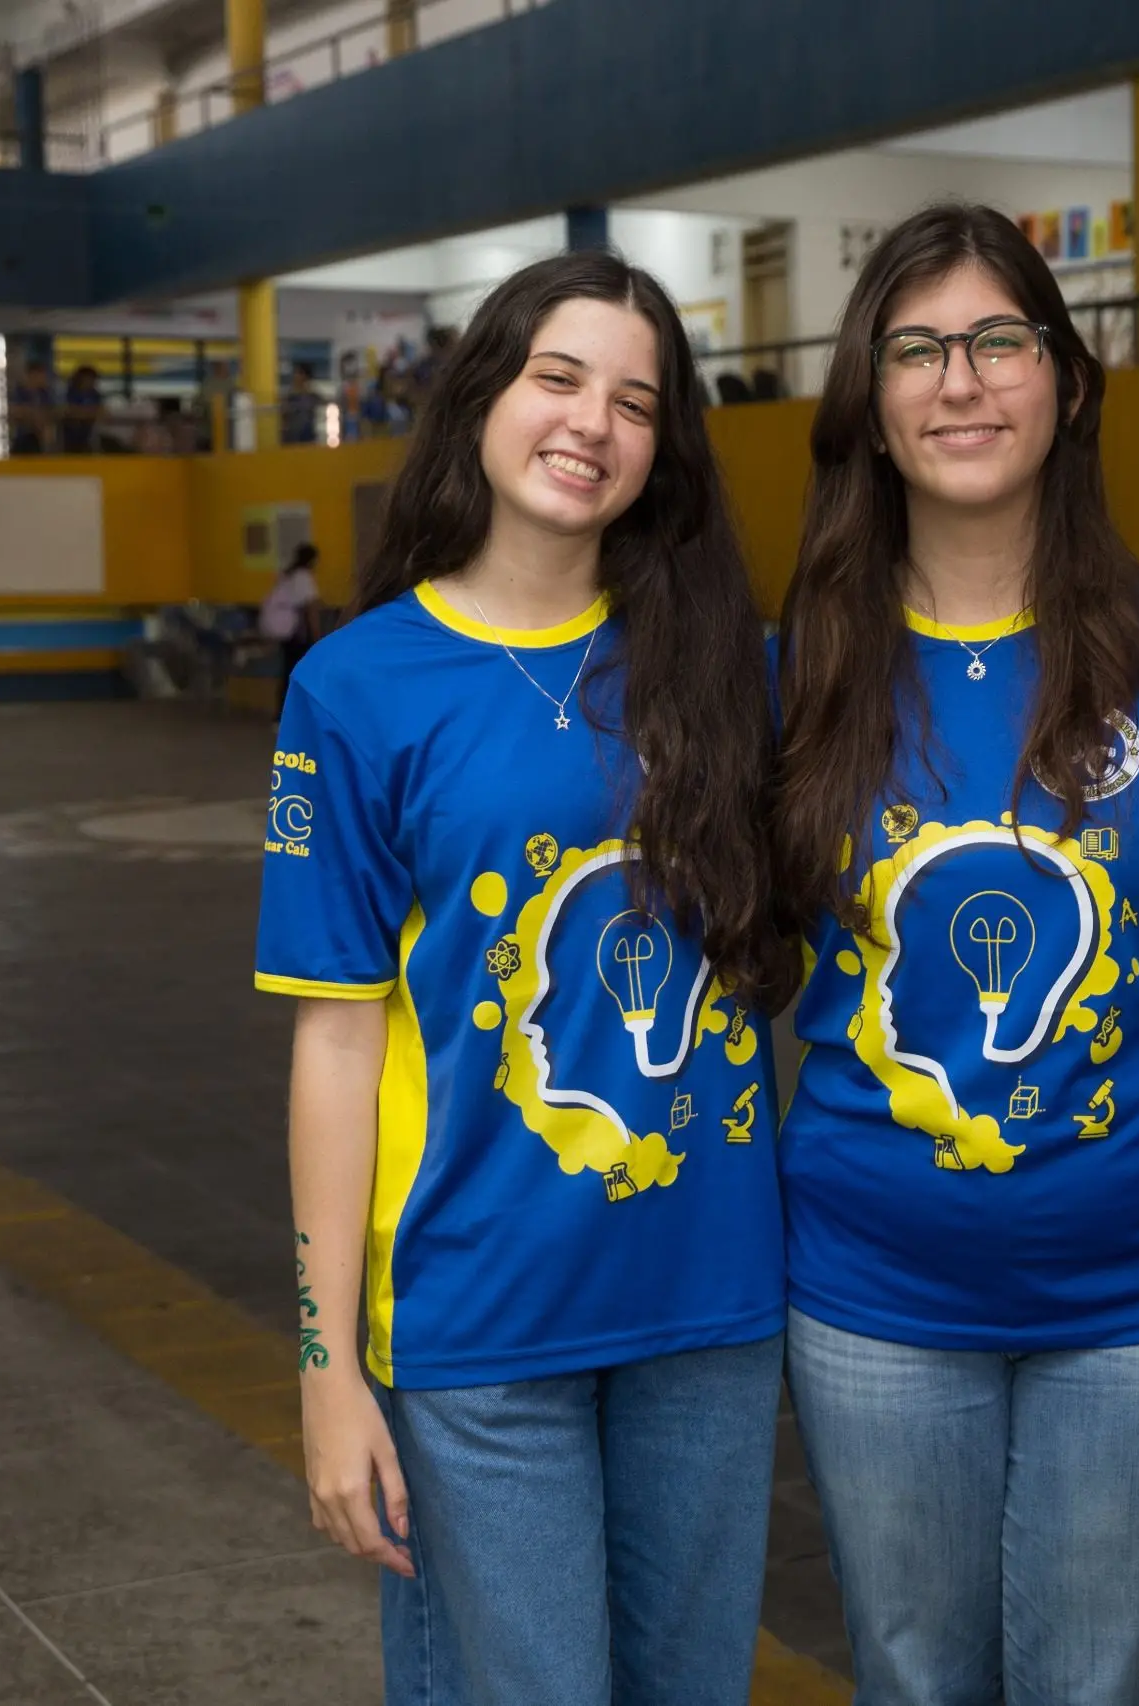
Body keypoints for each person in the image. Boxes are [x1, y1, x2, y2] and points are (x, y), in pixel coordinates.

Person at [256, 251, 791, 1706]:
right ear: (484, 396)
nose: (593, 422)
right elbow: (336, 1043)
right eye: (559, 377)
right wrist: (324, 1365)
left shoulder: (728, 667)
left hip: (710, 1303)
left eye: (638, 399)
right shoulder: (360, 686)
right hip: (477, 1322)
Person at [769, 201, 1139, 1706]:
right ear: (870, 397)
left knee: (1103, 1685)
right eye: (917, 347)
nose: (961, 381)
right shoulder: (794, 675)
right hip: (871, 1289)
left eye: (999, 339)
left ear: (1067, 380)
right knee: (915, 1682)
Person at [256, 542, 323, 715]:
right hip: (300, 633)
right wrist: (316, 635)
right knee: (301, 673)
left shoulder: (287, 575)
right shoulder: (304, 577)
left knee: (288, 671)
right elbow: (311, 609)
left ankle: (282, 714)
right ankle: (294, 715)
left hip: (288, 633)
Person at [8, 356, 57, 455]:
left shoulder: (44, 394)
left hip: (40, 440)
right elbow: (14, 412)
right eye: (42, 375)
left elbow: (50, 413)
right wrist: (32, 415)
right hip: (20, 439)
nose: (44, 378)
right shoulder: (18, 392)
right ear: (32, 375)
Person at [59, 363, 104, 454]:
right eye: (89, 378)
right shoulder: (70, 392)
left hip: (89, 427)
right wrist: (84, 413)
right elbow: (68, 410)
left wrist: (87, 413)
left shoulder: (95, 394)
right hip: (70, 427)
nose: (91, 382)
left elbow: (100, 411)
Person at [282, 359, 321, 445]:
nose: (295, 376)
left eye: (298, 373)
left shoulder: (313, 396)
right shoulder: (290, 396)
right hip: (292, 438)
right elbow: (284, 416)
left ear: (305, 376)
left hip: (308, 436)